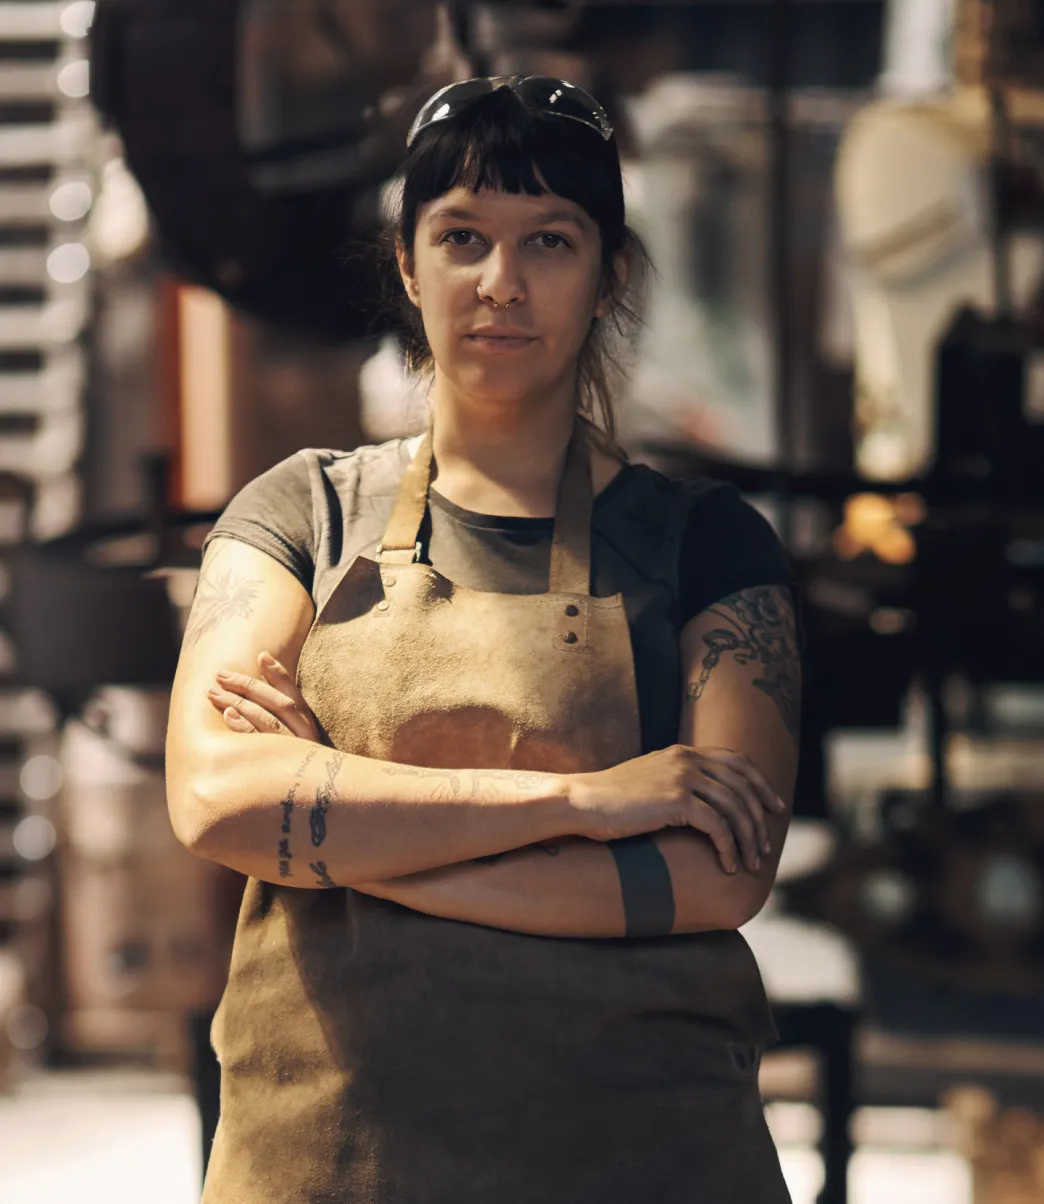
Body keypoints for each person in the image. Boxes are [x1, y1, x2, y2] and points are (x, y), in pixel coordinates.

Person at [166, 75, 802, 1204]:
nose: (500, 284)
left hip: (640, 1157)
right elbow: (217, 798)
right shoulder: (299, 516)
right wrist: (585, 805)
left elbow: (718, 873)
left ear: (610, 274)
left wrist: (351, 843)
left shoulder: (708, 544)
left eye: (549, 240)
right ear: (408, 264)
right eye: (462, 237)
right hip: (329, 1159)